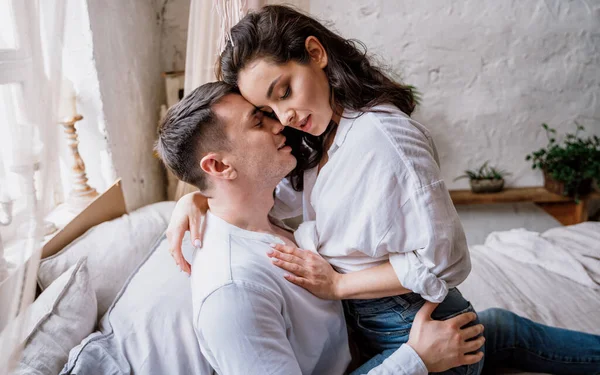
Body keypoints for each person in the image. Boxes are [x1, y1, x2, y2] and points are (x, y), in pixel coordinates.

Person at [167, 5, 600, 374]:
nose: (283, 118)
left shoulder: (381, 138)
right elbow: (272, 196)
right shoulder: (325, 138)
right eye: (264, 112)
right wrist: (199, 196)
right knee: (501, 328)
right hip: (384, 323)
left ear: (315, 54)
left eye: (284, 93)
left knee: (490, 333)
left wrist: (340, 288)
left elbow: (446, 260)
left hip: (405, 319)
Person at [155, 81, 485, 375]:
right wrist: (416, 360)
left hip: (367, 349)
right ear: (219, 165)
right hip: (390, 360)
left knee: (493, 326)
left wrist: (197, 198)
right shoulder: (232, 292)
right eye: (259, 121)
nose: (279, 123)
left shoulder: (262, 217)